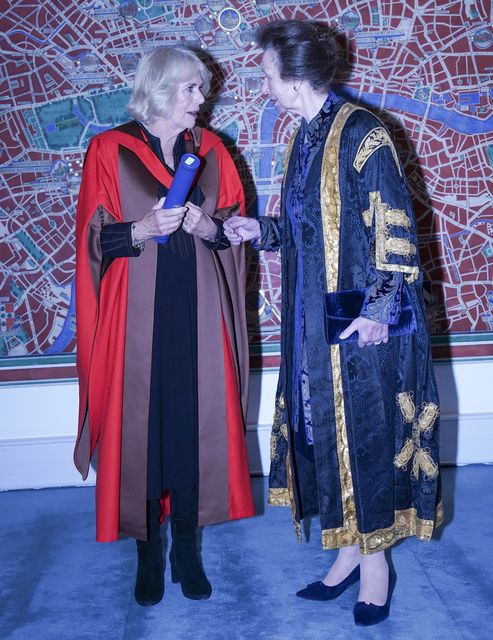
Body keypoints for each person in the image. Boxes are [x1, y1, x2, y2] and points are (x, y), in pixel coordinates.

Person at [224, 20, 442, 626]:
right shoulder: (305, 136)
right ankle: (347, 554)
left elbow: (393, 225)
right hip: (312, 325)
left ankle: (377, 569)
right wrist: (259, 232)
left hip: (361, 322)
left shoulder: (364, 133)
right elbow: (307, 229)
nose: (264, 83)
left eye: (267, 73)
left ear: (293, 78)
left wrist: (379, 310)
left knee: (365, 439)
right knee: (326, 438)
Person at [74, 46, 254, 607]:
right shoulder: (109, 150)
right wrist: (142, 227)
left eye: (202, 89)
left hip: (198, 313)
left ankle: (188, 554)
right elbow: (91, 242)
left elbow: (232, 231)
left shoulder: (215, 152)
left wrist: (207, 226)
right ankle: (148, 557)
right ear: (160, 89)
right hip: (138, 323)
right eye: (192, 89)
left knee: (190, 430)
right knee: (144, 437)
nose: (202, 100)